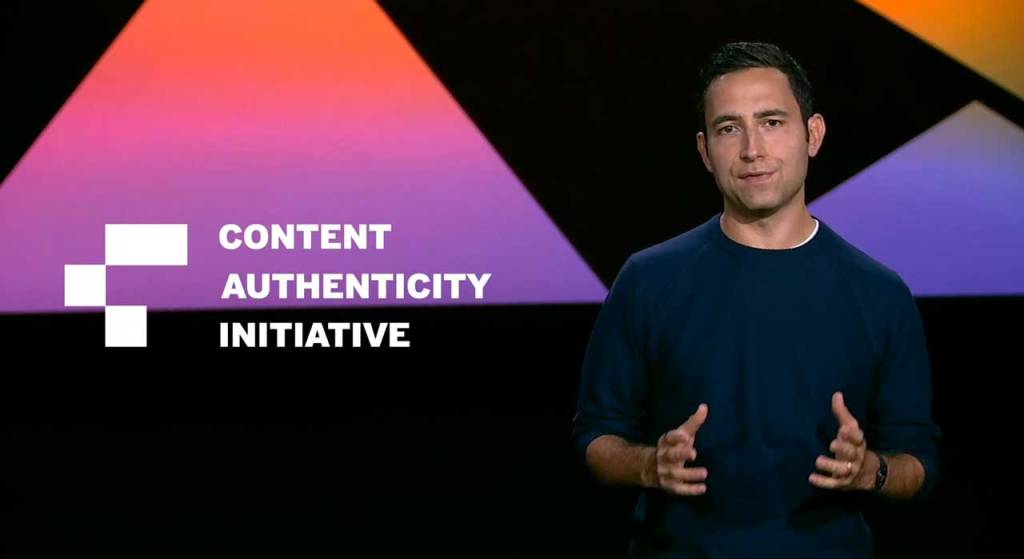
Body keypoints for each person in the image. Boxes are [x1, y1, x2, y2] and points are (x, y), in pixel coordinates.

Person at [572, 41, 941, 558]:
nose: (751, 149)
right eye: (729, 128)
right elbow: (596, 437)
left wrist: (870, 471)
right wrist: (650, 465)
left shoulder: (879, 293)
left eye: (771, 122)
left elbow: (918, 462)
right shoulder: (648, 280)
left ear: (813, 134)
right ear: (705, 151)